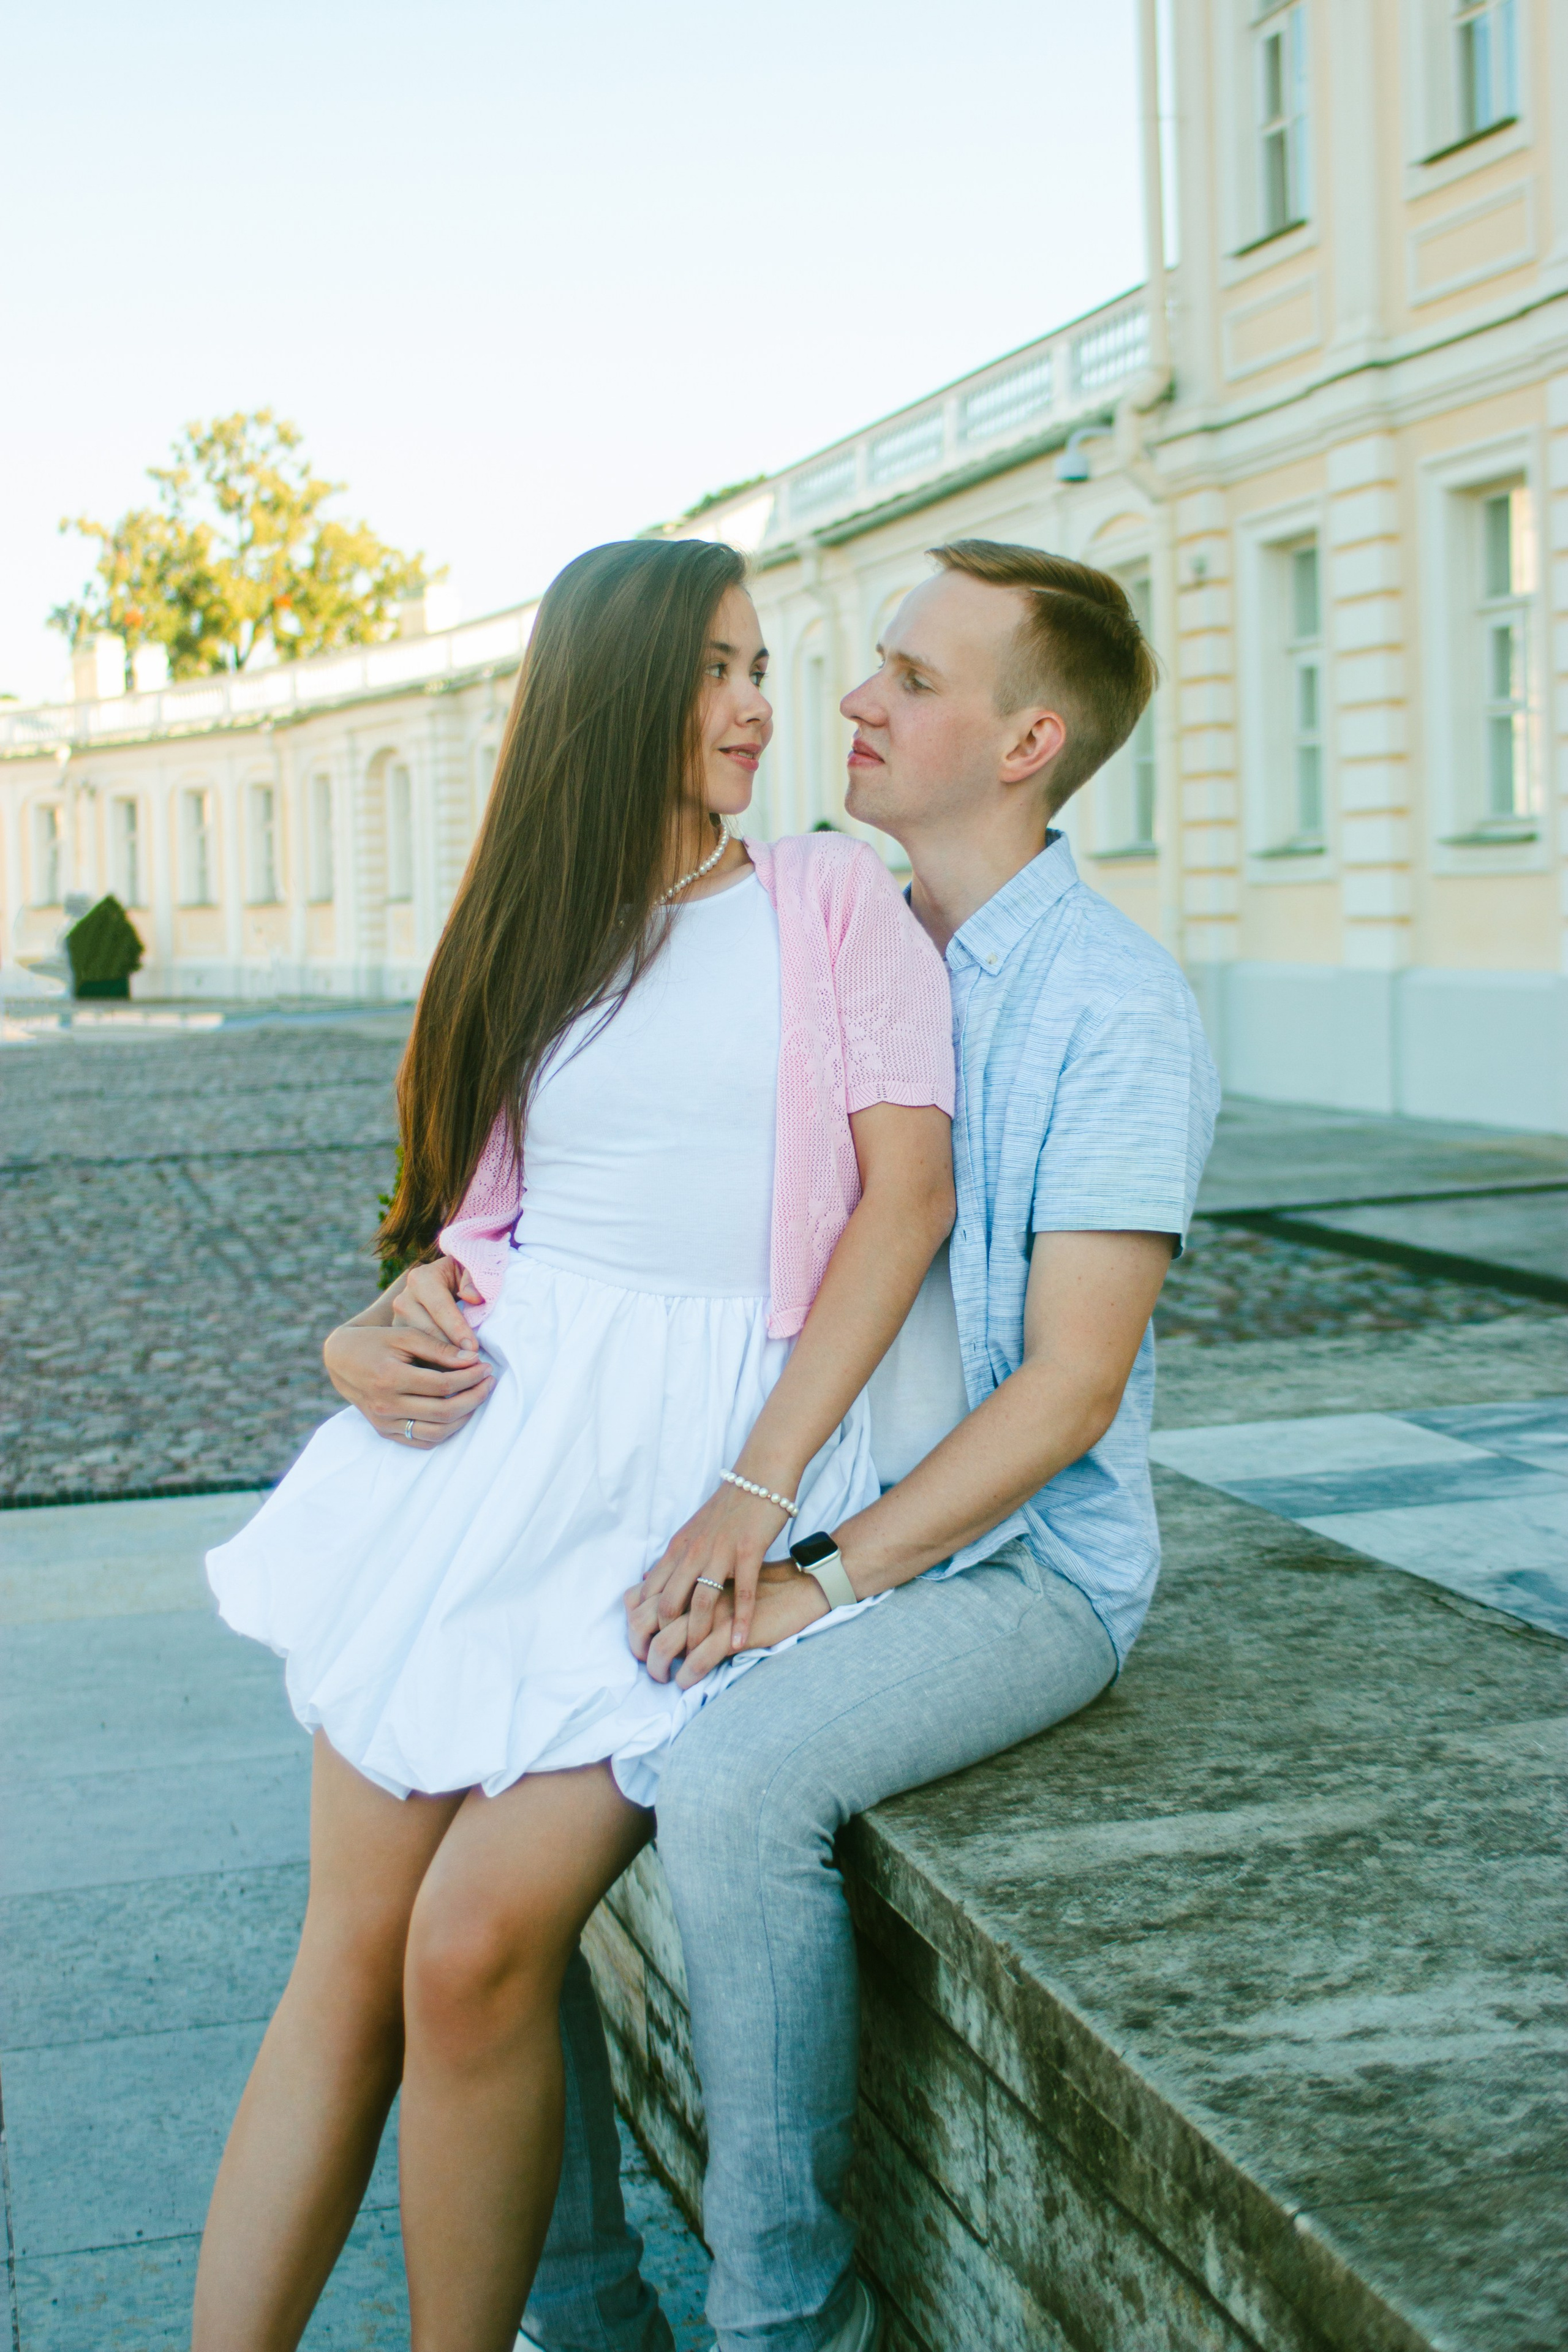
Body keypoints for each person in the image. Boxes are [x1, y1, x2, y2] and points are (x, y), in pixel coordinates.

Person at [337, 538, 1219, 2352]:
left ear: (1032, 738)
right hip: (816, 1502)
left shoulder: (1110, 1009)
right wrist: (393, 1318)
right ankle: (581, 2307)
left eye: (911, 676)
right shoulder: (845, 927)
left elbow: (1066, 1398)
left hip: (1015, 1564)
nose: (852, 697)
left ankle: (784, 2324)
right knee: (515, 1730)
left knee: (733, 1781)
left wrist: (809, 1578)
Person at [192, 535, 956, 2352]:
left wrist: (752, 1494)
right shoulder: (525, 926)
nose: (759, 704)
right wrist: (371, 1325)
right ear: (614, 689)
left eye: (762, 663)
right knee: (348, 1967)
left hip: (706, 1473)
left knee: (471, 1951)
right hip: (491, 1459)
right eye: (714, 667)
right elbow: (467, 1228)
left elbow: (903, 1206)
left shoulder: (835, 903)